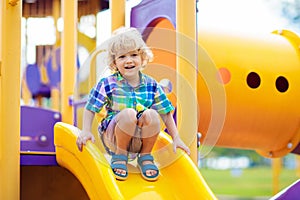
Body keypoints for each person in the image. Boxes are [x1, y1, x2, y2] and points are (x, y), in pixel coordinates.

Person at [76, 27, 190, 181]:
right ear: (114, 62)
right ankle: (120, 156)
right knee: (129, 113)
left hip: (138, 139)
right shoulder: (108, 83)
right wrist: (86, 131)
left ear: (142, 57)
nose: (129, 60)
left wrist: (176, 138)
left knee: (152, 114)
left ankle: (145, 156)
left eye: (134, 55)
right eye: (122, 56)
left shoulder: (152, 85)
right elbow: (91, 107)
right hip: (114, 138)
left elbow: (166, 111)